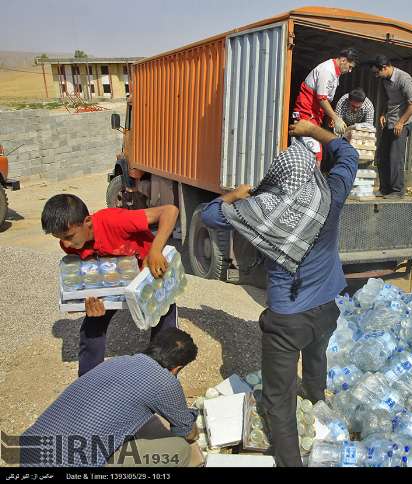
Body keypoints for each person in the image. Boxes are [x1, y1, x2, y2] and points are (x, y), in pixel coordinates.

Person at [200, 120, 358, 467]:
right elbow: (348, 154)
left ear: (277, 175)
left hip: (288, 319)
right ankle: (318, 402)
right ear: (311, 172)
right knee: (317, 358)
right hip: (327, 307)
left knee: (278, 398)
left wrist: (234, 195)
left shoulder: (259, 210)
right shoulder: (331, 194)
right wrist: (315, 132)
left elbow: (209, 215)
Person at [41, 194, 180, 377]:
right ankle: (89, 382)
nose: (65, 244)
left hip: (148, 273)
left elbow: (170, 211)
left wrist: (155, 250)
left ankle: (161, 376)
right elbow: (92, 273)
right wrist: (89, 301)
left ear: (87, 221)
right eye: (59, 238)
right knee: (92, 325)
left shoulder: (114, 221)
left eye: (69, 236)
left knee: (164, 317)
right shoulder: (71, 244)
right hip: (115, 283)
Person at [21, 328, 199, 467]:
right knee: (180, 450)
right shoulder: (165, 382)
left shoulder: (117, 361)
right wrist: (193, 425)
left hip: (30, 453)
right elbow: (186, 432)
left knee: (138, 424)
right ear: (177, 368)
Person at [292, 48, 360, 161]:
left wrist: (329, 116)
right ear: (343, 60)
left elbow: (326, 99)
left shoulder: (335, 73)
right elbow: (322, 98)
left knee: (313, 153)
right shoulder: (328, 70)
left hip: (314, 116)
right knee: (314, 154)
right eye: (350, 67)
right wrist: (335, 118)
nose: (350, 71)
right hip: (306, 114)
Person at [372, 55, 412, 198]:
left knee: (395, 157)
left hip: (402, 122)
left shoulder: (403, 79)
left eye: (377, 72)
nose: (376, 75)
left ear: (385, 68)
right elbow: (389, 99)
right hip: (390, 121)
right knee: (381, 155)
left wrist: (401, 122)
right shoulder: (385, 79)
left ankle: (397, 191)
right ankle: (385, 188)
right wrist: (383, 113)